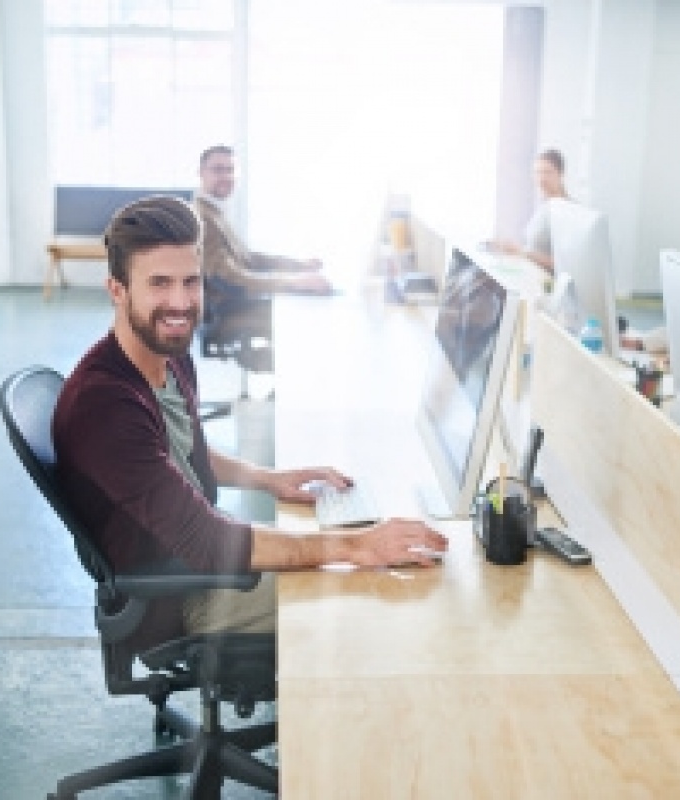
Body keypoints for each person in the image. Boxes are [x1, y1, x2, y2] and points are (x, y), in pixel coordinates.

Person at [53, 196, 446, 651]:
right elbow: (205, 539)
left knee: (355, 562)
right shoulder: (104, 406)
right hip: (178, 597)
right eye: (159, 284)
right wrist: (354, 546)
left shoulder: (164, 352)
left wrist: (268, 479)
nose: (180, 302)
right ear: (117, 290)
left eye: (190, 282)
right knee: (377, 590)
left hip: (196, 556)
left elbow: (176, 447)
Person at [195, 144, 333, 295]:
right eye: (218, 170)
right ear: (201, 173)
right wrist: (291, 283)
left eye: (230, 170)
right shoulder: (203, 217)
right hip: (228, 311)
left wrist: (299, 266)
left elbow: (248, 259)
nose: (226, 177)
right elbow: (227, 277)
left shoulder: (215, 212)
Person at [492, 149, 568, 273]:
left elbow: (564, 264)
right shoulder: (544, 206)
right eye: (538, 173)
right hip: (529, 277)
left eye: (547, 172)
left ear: (560, 174)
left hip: (546, 286)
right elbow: (535, 249)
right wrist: (510, 250)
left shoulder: (567, 212)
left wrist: (520, 252)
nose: (541, 179)